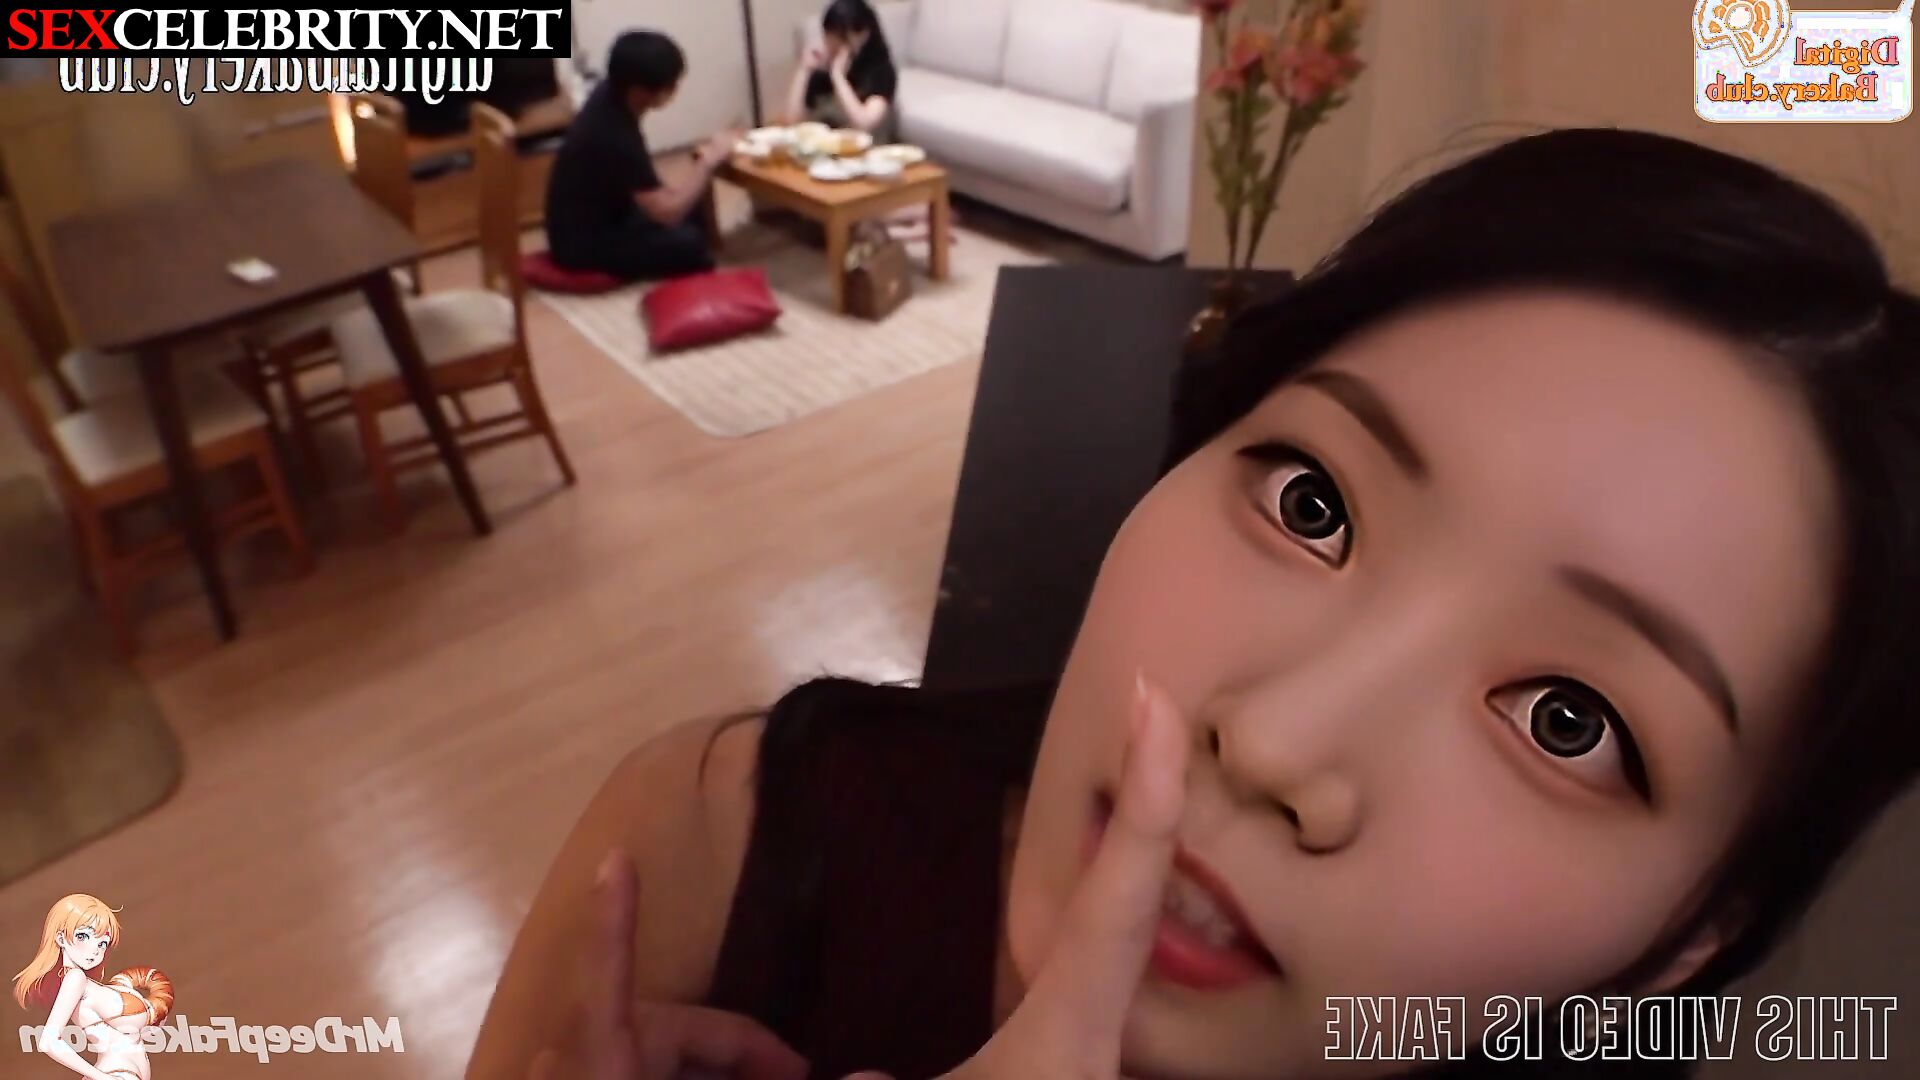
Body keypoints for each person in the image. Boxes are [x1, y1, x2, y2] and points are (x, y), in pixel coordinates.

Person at [468, 128, 1920, 1079]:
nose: (1274, 743)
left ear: (1689, 936)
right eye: (1314, 504)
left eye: (1568, 720)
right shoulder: (713, 853)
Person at [545, 31, 737, 282]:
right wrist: (708, 161)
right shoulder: (613, 133)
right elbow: (667, 213)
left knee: (691, 207)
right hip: (582, 244)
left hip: (609, 213)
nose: (674, 91)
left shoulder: (611, 94)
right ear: (639, 91)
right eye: (670, 86)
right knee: (689, 242)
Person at [13, 894, 176, 1080]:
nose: (95, 950)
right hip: (116, 1072)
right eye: (83, 936)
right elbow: (48, 1042)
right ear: (61, 938)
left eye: (102, 943)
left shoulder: (85, 984)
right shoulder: (75, 979)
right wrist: (102, 1077)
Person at [781, 0, 900, 144]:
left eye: (841, 37)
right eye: (828, 35)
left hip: (867, 150)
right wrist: (804, 70)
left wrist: (838, 76)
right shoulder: (823, 70)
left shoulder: (881, 71)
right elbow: (791, 122)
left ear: (864, 34)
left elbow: (864, 123)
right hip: (826, 148)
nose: (832, 43)